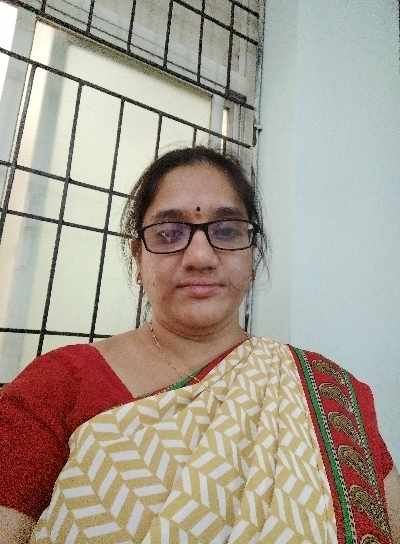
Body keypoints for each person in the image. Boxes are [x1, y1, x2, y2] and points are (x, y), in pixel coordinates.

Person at [0, 146, 399, 543]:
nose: (201, 256)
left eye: (226, 232)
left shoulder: (327, 395)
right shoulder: (58, 385)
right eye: (168, 233)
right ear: (138, 258)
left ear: (252, 256)